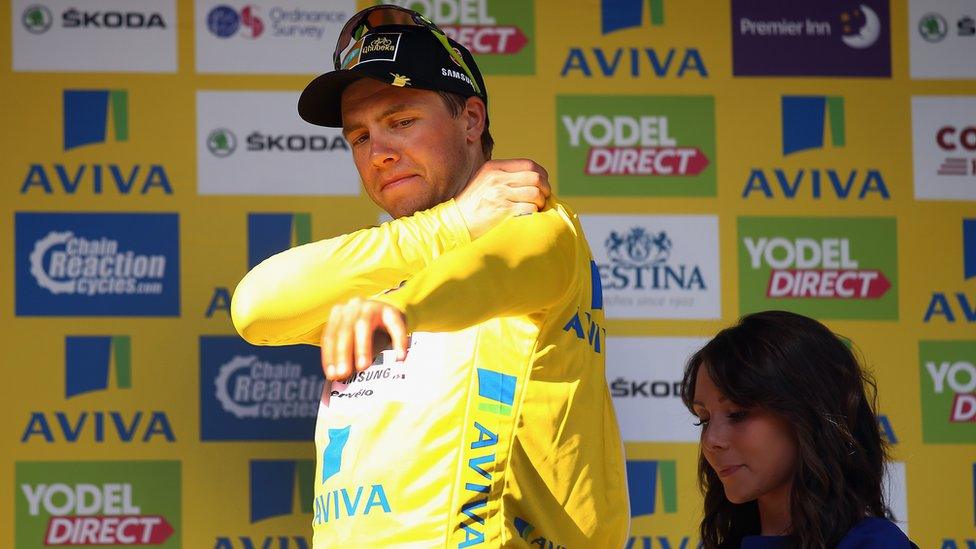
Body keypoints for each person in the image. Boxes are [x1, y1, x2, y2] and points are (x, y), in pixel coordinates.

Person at [231, 5, 629, 548]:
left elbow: (489, 274)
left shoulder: (536, 223)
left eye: (401, 122)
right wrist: (452, 225)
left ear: (471, 120)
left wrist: (399, 309)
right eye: (360, 137)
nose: (379, 154)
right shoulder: (397, 252)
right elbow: (254, 307)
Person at [679, 310, 916, 549]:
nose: (711, 440)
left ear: (809, 413)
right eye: (704, 419)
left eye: (738, 414)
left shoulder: (872, 543)